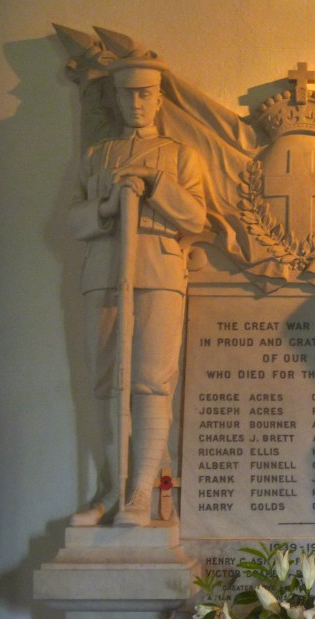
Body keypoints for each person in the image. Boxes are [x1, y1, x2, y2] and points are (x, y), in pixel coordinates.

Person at [68, 56, 206, 527]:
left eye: (146, 93)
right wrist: (105, 206)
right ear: (116, 98)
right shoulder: (97, 155)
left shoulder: (179, 155)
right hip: (105, 272)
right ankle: (110, 488)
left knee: (149, 380)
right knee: (107, 381)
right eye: (128, 94)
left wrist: (155, 184)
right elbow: (74, 219)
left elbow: (196, 218)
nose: (137, 102)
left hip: (159, 272)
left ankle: (141, 489)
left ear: (159, 99)